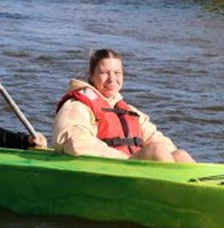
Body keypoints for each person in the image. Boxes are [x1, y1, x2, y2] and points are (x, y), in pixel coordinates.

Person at [52, 48, 195, 162]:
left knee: (179, 154)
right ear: (91, 75)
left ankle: (203, 187)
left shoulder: (130, 111)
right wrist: (125, 159)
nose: (112, 79)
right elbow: (76, 143)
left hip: (130, 166)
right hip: (111, 168)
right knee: (156, 150)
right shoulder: (77, 106)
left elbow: (156, 138)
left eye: (117, 73)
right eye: (104, 73)